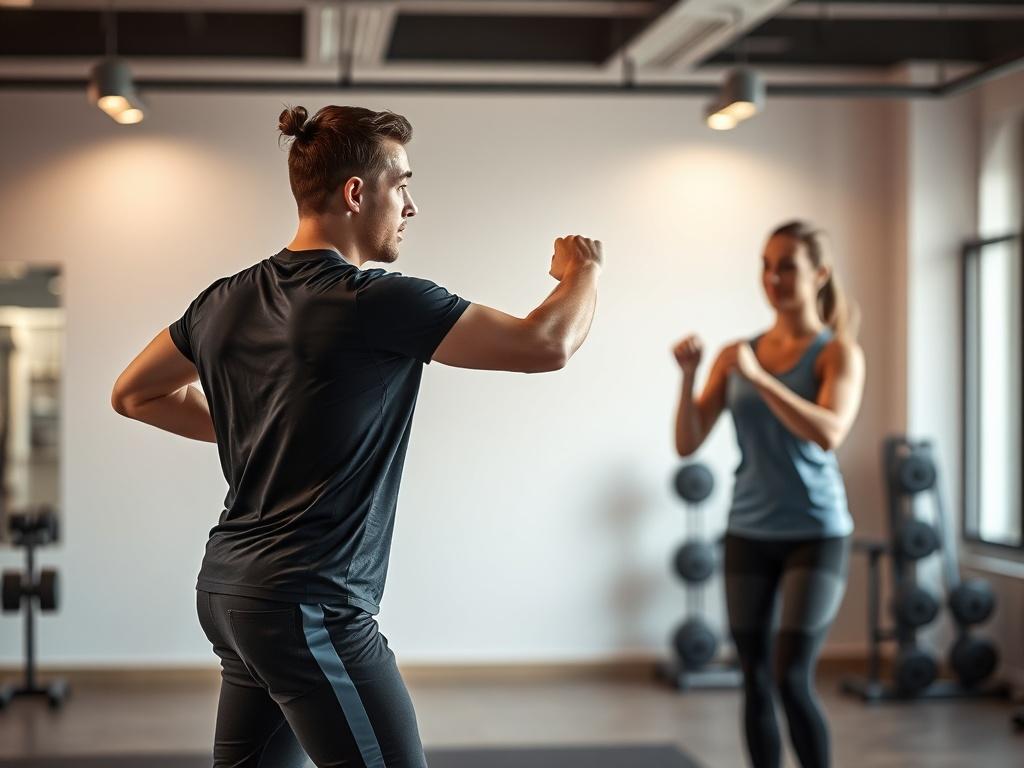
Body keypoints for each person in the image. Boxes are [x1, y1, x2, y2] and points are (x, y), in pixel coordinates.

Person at [111, 104, 603, 768]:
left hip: (230, 593)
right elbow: (547, 344)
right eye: (402, 183)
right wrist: (583, 272)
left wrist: (251, 426)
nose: (411, 206)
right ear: (355, 192)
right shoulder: (376, 301)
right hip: (308, 602)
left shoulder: (223, 299)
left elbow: (135, 393)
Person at [672, 221, 865, 768]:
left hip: (817, 532)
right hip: (749, 530)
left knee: (790, 673)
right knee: (754, 675)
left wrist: (758, 379)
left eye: (788, 265)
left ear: (819, 274)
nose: (773, 277)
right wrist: (689, 377)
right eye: (766, 264)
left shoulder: (837, 353)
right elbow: (688, 442)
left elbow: (829, 431)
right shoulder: (739, 354)